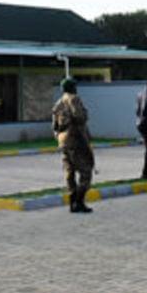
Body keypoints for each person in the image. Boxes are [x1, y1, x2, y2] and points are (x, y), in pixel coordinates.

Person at [52, 77, 94, 213]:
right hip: (76, 140)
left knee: (69, 172)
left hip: (63, 142)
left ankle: (72, 203)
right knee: (86, 171)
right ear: (71, 88)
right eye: (75, 86)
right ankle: (79, 201)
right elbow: (80, 117)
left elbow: (55, 126)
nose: (76, 88)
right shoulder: (74, 98)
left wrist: (59, 138)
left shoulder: (57, 104)